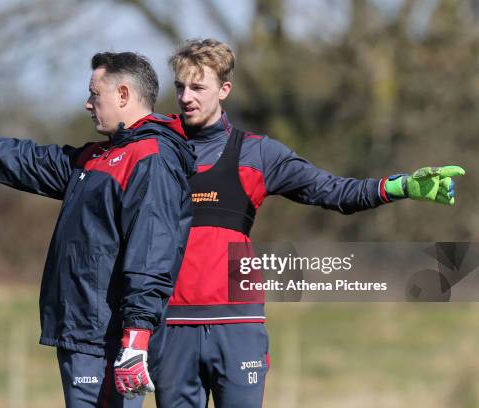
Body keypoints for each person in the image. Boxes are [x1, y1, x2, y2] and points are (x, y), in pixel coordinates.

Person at [152, 38, 465, 408]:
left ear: (224, 90)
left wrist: (399, 186)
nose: (186, 97)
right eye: (180, 87)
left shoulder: (258, 153)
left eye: (197, 87)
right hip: (170, 326)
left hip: (237, 326)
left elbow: (332, 191)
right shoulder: (155, 147)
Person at [0, 51, 196, 408]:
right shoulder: (96, 157)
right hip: (82, 333)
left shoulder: (149, 158)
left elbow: (152, 253)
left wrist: (136, 338)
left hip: (107, 340)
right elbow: (23, 159)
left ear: (123, 95)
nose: (87, 103)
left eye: (95, 94)